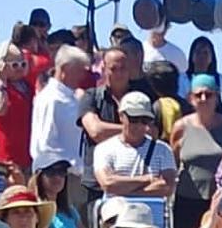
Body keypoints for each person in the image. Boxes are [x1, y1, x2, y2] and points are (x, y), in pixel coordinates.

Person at [169, 74, 222, 228]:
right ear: (191, 98)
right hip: (187, 200)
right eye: (199, 95)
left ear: (217, 97)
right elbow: (174, 162)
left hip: (219, 201)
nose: (204, 98)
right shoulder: (180, 127)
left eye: (209, 94)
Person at [92, 91, 176, 200]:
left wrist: (124, 191)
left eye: (144, 120)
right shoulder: (104, 149)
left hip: (152, 215)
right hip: (118, 214)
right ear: (121, 116)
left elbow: (167, 187)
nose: (139, 125)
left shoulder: (163, 150)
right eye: (134, 119)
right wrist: (147, 179)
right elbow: (108, 183)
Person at [76, 45, 131, 210]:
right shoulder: (91, 97)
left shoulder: (139, 98)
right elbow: (95, 131)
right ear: (104, 69)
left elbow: (150, 132)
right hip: (96, 185)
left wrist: (111, 130)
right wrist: (131, 128)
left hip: (131, 183)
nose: (119, 73)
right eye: (114, 68)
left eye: (123, 68)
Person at [27, 43, 89, 174]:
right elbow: (45, 144)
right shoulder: (51, 99)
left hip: (74, 174)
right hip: (58, 175)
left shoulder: (73, 97)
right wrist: (64, 169)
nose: (82, 76)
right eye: (79, 71)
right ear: (64, 69)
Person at [0, 41, 33, 175]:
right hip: (3, 158)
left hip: (26, 156)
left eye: (23, 64)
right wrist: (1, 81)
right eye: (14, 65)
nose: (20, 68)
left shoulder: (27, 87)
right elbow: (0, 109)